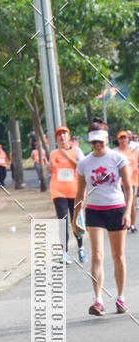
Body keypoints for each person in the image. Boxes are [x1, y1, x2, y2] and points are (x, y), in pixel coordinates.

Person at [73, 121, 133, 316]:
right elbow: (80, 193)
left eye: (100, 141)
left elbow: (128, 189)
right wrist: (75, 217)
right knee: (97, 255)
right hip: (95, 211)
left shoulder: (118, 158)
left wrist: (127, 213)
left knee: (118, 255)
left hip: (116, 209)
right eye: (93, 142)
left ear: (107, 138)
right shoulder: (84, 163)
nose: (97, 145)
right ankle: (98, 301)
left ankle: (120, 297)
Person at [47, 126, 86, 264]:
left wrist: (67, 155)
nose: (62, 136)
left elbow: (81, 168)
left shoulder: (77, 151)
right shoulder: (53, 154)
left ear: (69, 137)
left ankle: (81, 248)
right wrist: (49, 168)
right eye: (59, 134)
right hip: (58, 191)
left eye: (64, 134)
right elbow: (52, 170)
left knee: (75, 221)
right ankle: (65, 253)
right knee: (62, 221)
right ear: (57, 138)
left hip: (75, 191)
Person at [116, 130, 138, 233]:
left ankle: (133, 224)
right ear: (118, 140)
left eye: (125, 137)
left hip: (132, 181)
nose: (123, 140)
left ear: (128, 139)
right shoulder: (115, 153)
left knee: (131, 203)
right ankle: (123, 222)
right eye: (121, 138)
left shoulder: (134, 151)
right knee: (122, 203)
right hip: (119, 181)